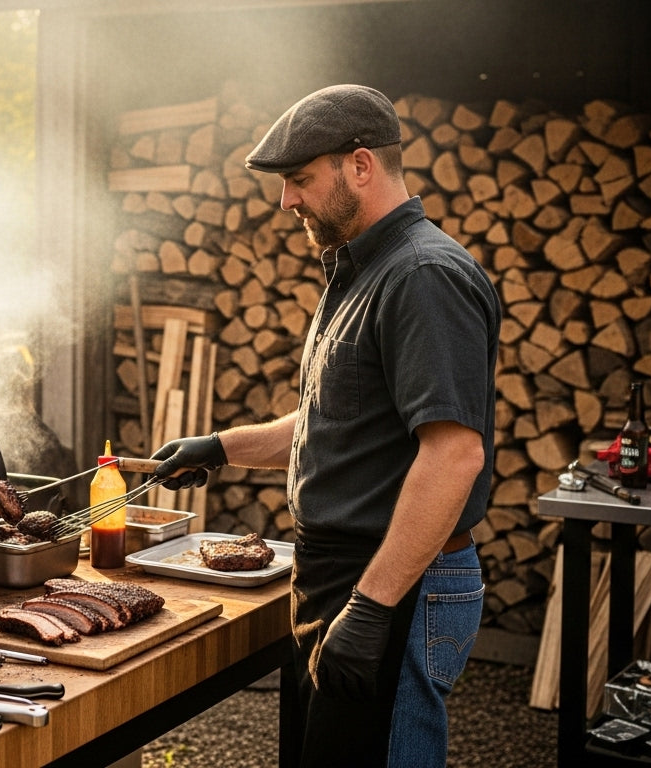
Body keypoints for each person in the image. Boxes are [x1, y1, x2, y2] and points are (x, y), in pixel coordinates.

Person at [150, 84, 500, 767]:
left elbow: (453, 456)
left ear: (360, 166)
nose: (287, 202)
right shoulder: (362, 272)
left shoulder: (423, 275)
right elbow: (334, 424)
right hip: (346, 577)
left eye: (300, 180)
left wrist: (372, 607)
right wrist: (221, 448)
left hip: (398, 582)